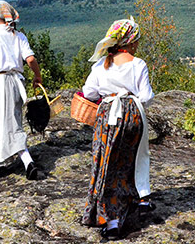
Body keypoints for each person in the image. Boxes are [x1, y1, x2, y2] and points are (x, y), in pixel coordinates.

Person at [81, 17, 155, 241]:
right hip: (131, 114)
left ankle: (110, 219)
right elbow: (147, 97)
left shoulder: (100, 65)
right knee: (129, 161)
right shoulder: (138, 64)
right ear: (131, 41)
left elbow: (89, 92)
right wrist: (130, 100)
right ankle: (138, 198)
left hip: (107, 116)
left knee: (106, 163)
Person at [0, 0, 43, 180]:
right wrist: (37, 76)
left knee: (5, 123)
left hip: (0, 82)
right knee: (2, 120)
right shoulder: (18, 36)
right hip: (17, 83)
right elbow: (30, 59)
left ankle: (28, 163)